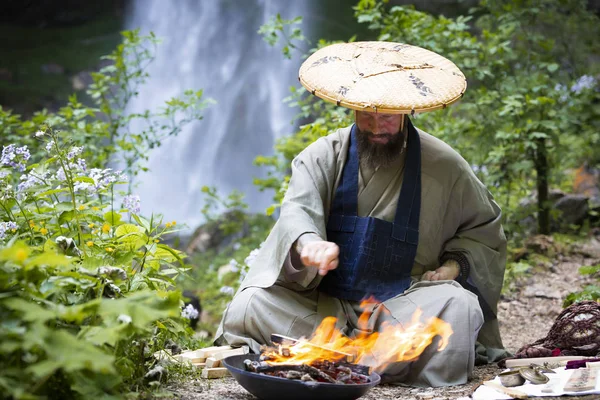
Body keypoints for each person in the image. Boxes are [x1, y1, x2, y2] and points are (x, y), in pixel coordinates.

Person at [214, 41, 509, 387]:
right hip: (323, 307)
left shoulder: (444, 165)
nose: (376, 125)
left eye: (386, 115)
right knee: (249, 304)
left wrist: (454, 265)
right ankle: (374, 362)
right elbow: (297, 210)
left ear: (405, 110)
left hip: (400, 309)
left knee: (460, 306)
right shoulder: (322, 156)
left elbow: (483, 229)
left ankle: (329, 360)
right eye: (366, 114)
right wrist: (308, 243)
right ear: (351, 108)